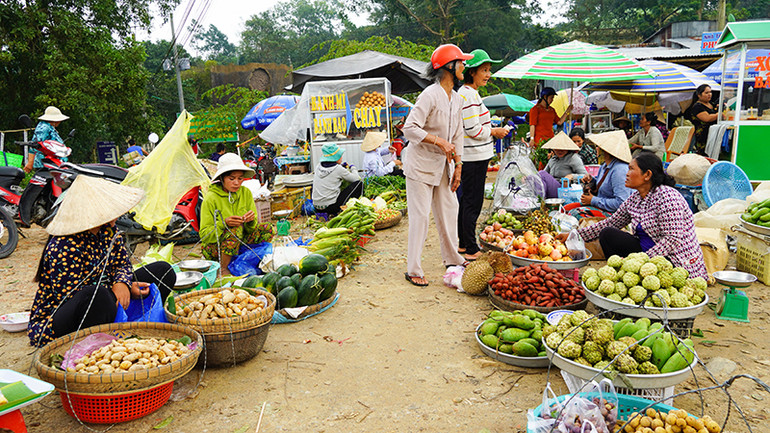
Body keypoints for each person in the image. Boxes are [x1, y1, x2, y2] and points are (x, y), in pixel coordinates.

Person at [28, 176, 176, 347]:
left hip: (108, 295)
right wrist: (116, 292)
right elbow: (73, 296)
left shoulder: (108, 231)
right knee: (98, 296)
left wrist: (123, 283)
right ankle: (103, 344)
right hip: (64, 316)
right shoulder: (63, 246)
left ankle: (141, 325)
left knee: (162, 271)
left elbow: (122, 263)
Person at [401, 44, 471, 286]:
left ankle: (453, 258)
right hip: (420, 164)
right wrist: (438, 141)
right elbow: (409, 128)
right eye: (461, 62)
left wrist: (459, 164)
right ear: (449, 67)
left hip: (444, 165)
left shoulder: (457, 99)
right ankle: (413, 269)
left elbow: (458, 134)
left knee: (450, 209)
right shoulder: (430, 94)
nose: (465, 66)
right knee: (420, 216)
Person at [576, 152, 707, 279]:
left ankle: (633, 273)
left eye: (631, 169)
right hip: (645, 252)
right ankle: (620, 274)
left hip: (673, 259)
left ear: (647, 175)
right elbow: (612, 222)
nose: (626, 174)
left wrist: (639, 262)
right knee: (608, 233)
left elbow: (672, 240)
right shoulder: (636, 198)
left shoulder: (668, 197)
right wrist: (576, 236)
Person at [456, 49, 508, 261]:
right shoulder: (468, 95)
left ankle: (462, 243)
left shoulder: (470, 93)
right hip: (474, 156)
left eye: (489, 70)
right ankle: (470, 248)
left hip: (473, 156)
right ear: (472, 72)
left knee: (467, 201)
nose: (488, 74)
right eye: (484, 70)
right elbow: (473, 129)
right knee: (472, 202)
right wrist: (495, 132)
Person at [200, 153, 274, 273]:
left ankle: (250, 258)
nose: (236, 183)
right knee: (234, 230)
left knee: (267, 228)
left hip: (240, 240)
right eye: (232, 178)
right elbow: (204, 235)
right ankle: (223, 269)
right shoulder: (211, 198)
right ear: (222, 178)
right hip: (215, 246)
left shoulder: (246, 193)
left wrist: (250, 221)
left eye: (240, 178)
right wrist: (224, 223)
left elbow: (251, 229)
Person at [563, 130, 633, 220]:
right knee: (566, 208)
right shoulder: (605, 165)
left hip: (614, 214)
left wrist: (593, 200)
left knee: (575, 213)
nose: (596, 149)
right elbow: (602, 185)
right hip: (601, 205)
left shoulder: (620, 170)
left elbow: (621, 203)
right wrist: (592, 180)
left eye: (598, 147)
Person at [311, 143, 364, 216]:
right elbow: (356, 179)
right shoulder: (338, 169)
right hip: (331, 207)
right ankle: (343, 209)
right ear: (335, 157)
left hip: (316, 207)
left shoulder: (318, 166)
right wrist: (353, 168)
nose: (342, 158)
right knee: (359, 184)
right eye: (340, 156)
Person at [537, 132, 587, 198]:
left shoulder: (573, 158)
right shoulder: (552, 159)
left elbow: (585, 175)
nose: (560, 151)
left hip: (564, 190)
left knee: (541, 173)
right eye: (557, 149)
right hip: (552, 188)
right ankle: (539, 200)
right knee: (536, 177)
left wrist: (572, 176)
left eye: (562, 149)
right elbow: (542, 175)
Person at [25, 106, 69, 173]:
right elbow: (35, 144)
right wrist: (30, 163)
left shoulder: (50, 127)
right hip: (45, 163)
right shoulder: (44, 128)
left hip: (54, 162)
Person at [688, 84, 718, 155]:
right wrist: (719, 114)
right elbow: (707, 118)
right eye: (706, 93)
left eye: (710, 92)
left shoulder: (712, 104)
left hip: (714, 135)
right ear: (699, 95)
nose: (709, 94)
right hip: (703, 137)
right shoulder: (697, 107)